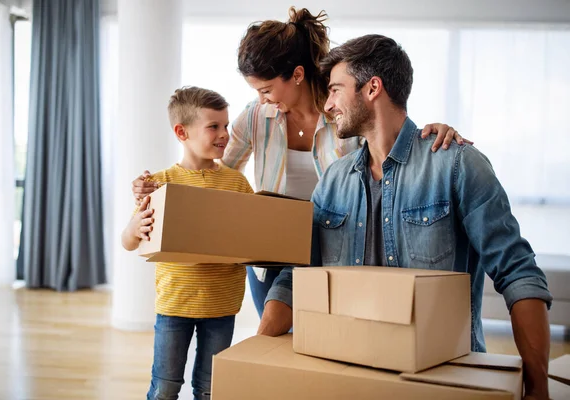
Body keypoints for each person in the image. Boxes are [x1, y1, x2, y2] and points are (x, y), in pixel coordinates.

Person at [260, 34, 553, 400]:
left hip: (441, 382)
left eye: (336, 90)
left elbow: (518, 272)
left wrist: (539, 388)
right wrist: (256, 353)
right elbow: (296, 274)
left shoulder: (457, 165)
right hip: (347, 375)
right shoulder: (333, 181)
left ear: (372, 88)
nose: (328, 104)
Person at [131, 8, 466, 319]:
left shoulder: (345, 114)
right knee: (277, 346)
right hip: (270, 252)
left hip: (336, 248)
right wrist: (161, 189)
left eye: (266, 89)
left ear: (297, 74)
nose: (261, 99)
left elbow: (388, 140)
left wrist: (434, 132)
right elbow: (216, 172)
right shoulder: (256, 117)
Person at [121, 87, 253, 400]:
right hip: (174, 304)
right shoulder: (160, 182)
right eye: (213, 127)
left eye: (225, 126)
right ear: (182, 132)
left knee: (209, 389)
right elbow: (128, 242)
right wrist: (134, 226)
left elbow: (251, 236)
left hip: (222, 305)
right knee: (165, 387)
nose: (224, 134)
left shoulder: (237, 183)